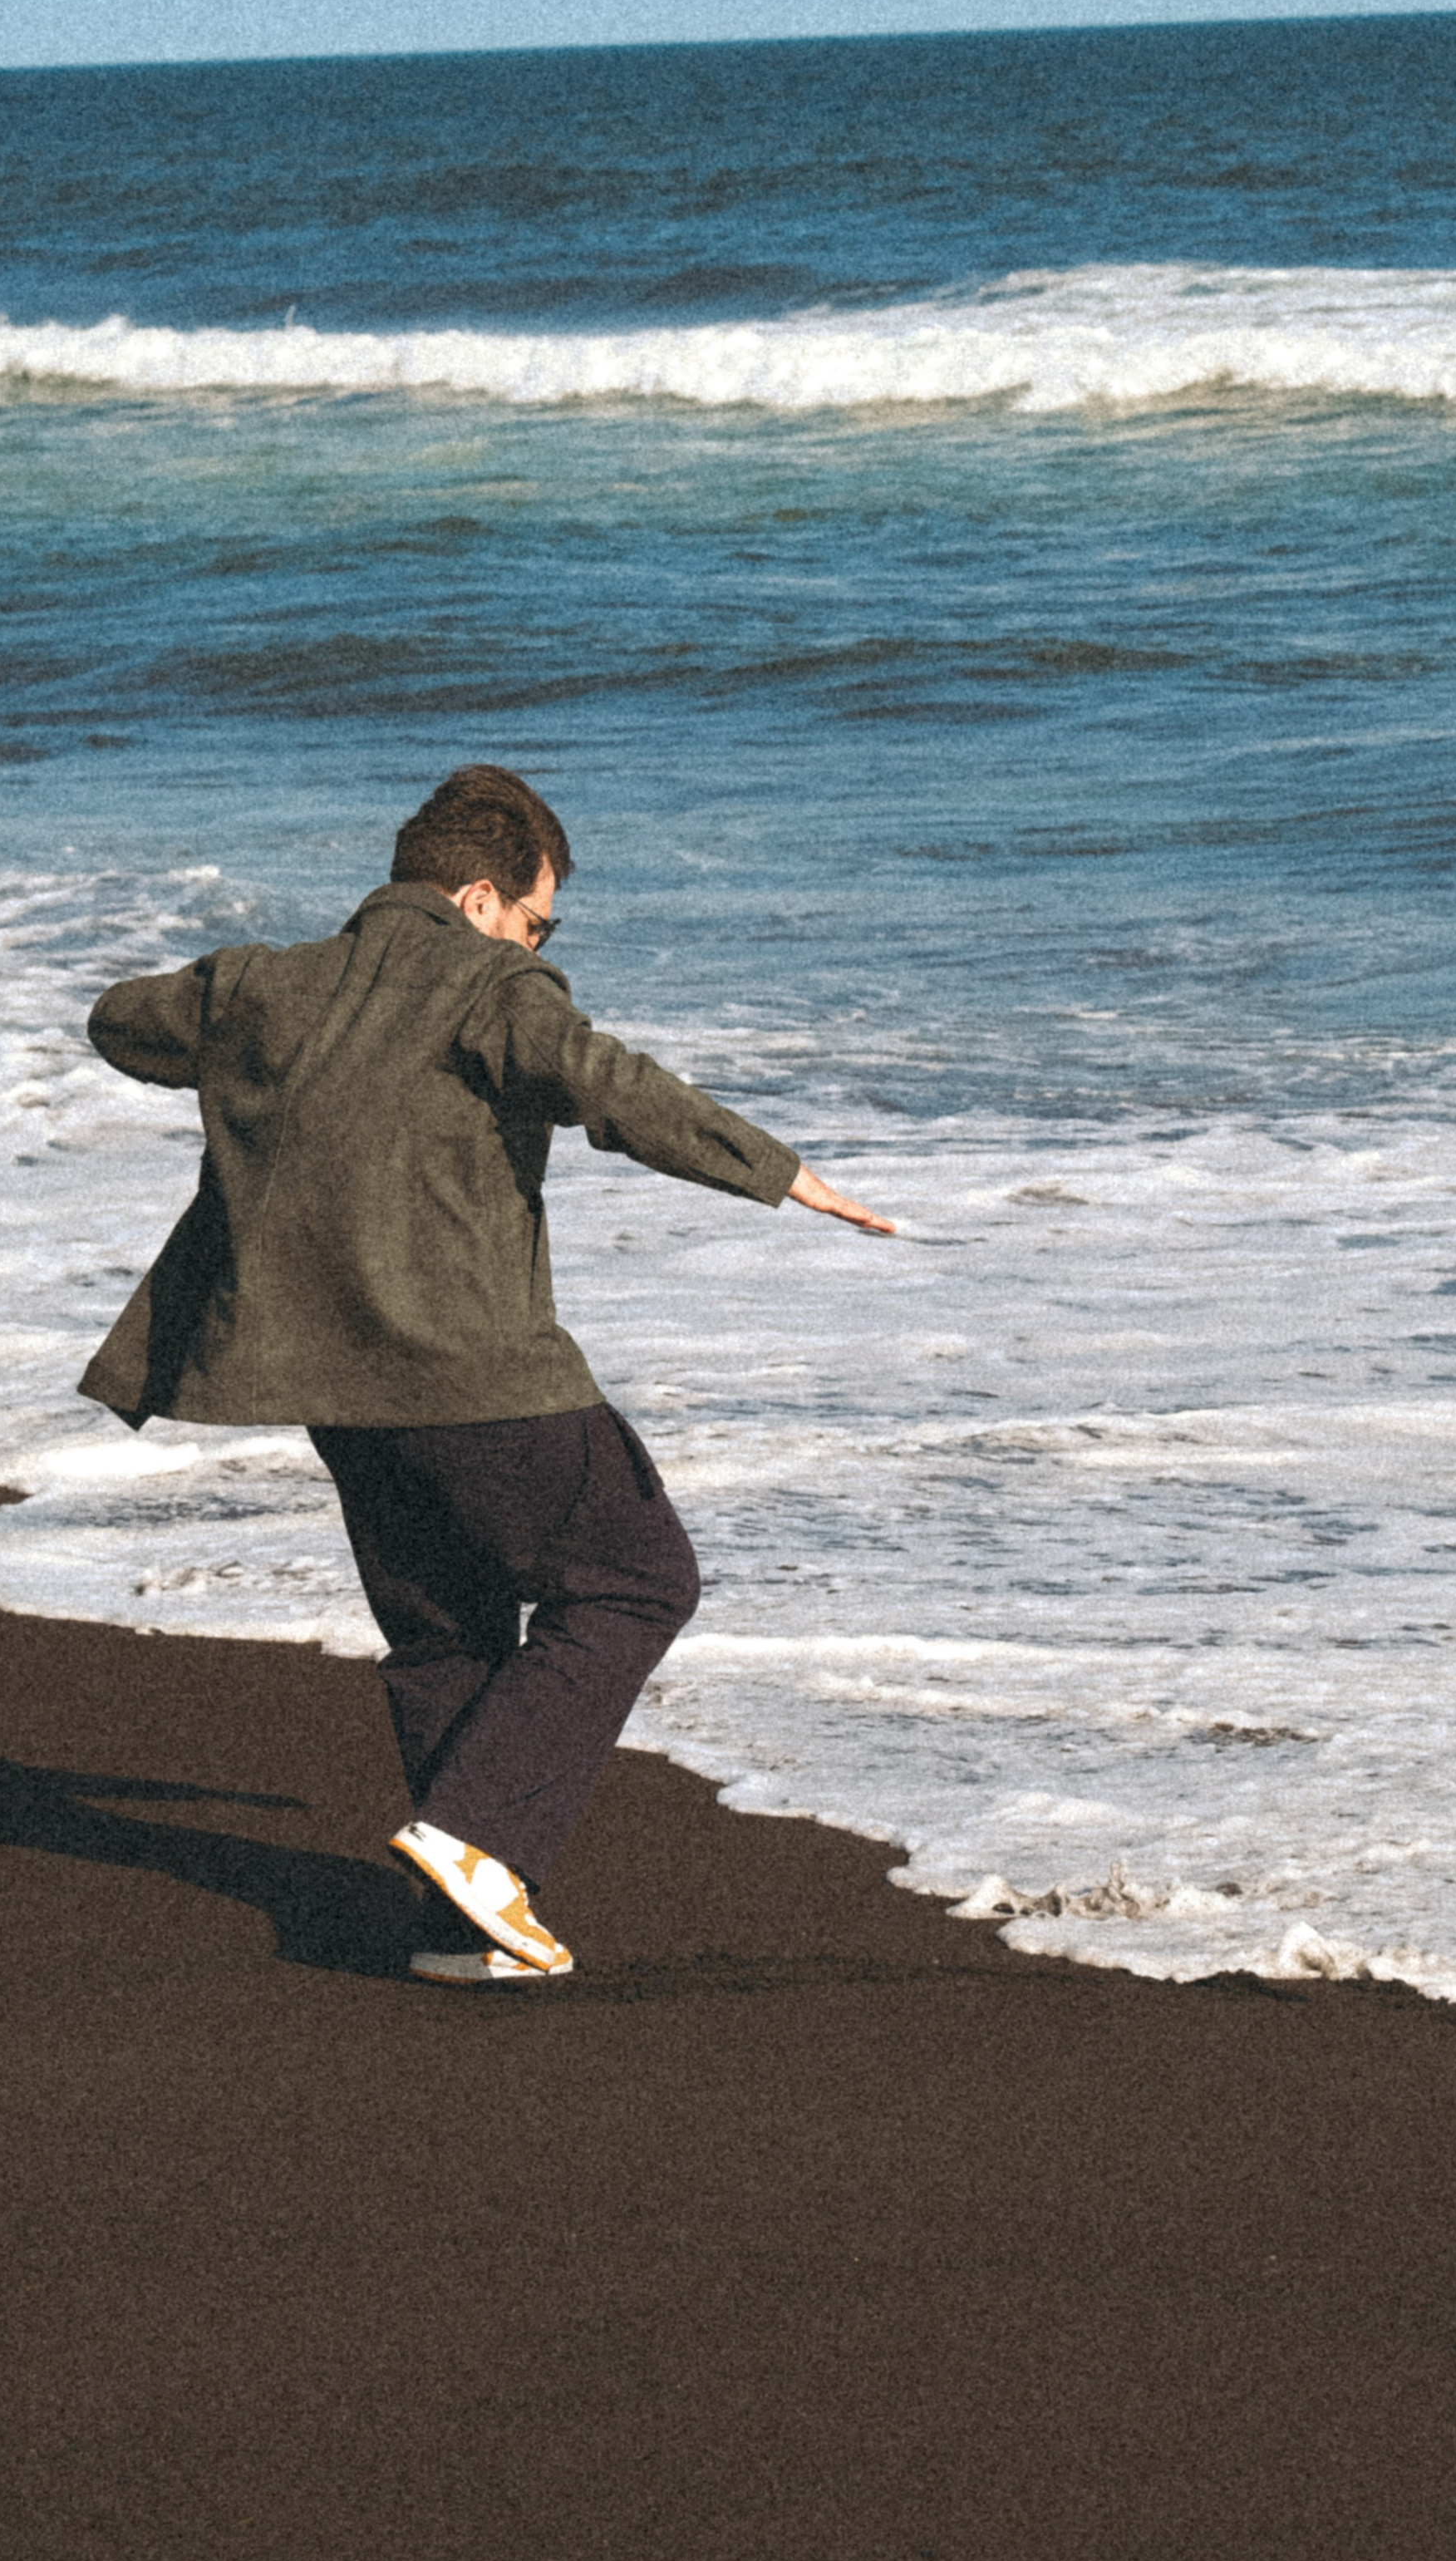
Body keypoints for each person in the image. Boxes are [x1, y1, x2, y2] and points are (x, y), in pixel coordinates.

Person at [79, 764, 893, 1985]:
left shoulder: (264, 984)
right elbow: (603, 1080)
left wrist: (251, 1047)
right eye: (539, 920)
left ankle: (465, 1928)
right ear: (477, 897)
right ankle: (472, 1836)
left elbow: (121, 1019)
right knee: (635, 1582)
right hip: (475, 1376)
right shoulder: (491, 984)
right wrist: (775, 1171)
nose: (542, 942)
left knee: (441, 1629)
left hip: (333, 1389)